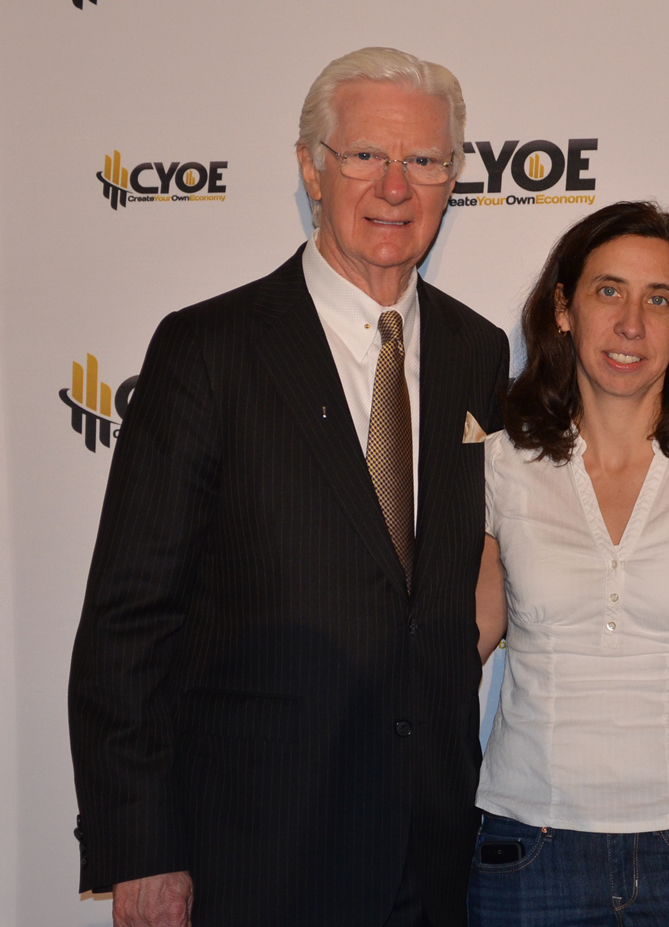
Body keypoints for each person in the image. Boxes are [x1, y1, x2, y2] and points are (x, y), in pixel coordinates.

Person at [67, 47, 508, 927]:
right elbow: (128, 618)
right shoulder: (210, 349)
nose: (395, 186)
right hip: (255, 853)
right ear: (312, 167)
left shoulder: (479, 352)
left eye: (424, 160)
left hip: (433, 854)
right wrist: (143, 845)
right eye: (366, 155)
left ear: (453, 177)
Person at [469, 201, 669, 927]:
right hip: (527, 850)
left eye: (659, 300)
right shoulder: (501, 463)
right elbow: (465, 640)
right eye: (608, 291)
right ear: (564, 308)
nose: (630, 324)